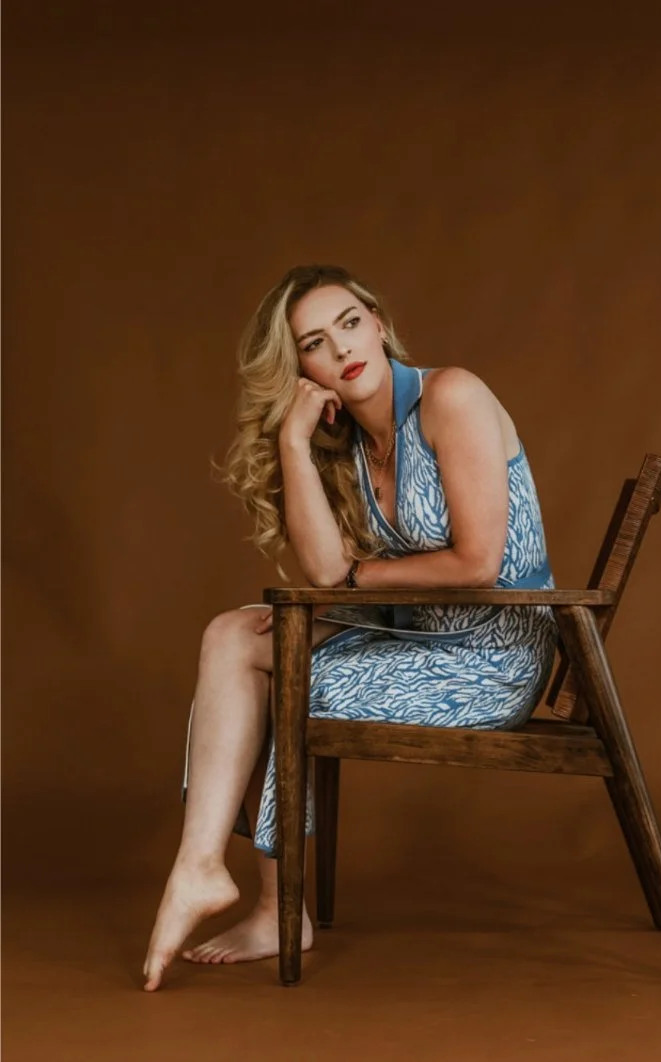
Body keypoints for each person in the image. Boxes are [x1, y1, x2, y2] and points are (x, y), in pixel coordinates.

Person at [142, 264, 557, 991]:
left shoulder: (449, 396)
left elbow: (478, 561)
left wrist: (357, 583)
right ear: (300, 368)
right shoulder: (359, 446)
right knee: (231, 636)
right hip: (415, 640)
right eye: (314, 342)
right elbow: (322, 565)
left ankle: (278, 908)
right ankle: (200, 866)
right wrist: (295, 445)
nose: (341, 349)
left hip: (491, 657)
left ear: (377, 320)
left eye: (349, 323)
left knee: (292, 674)